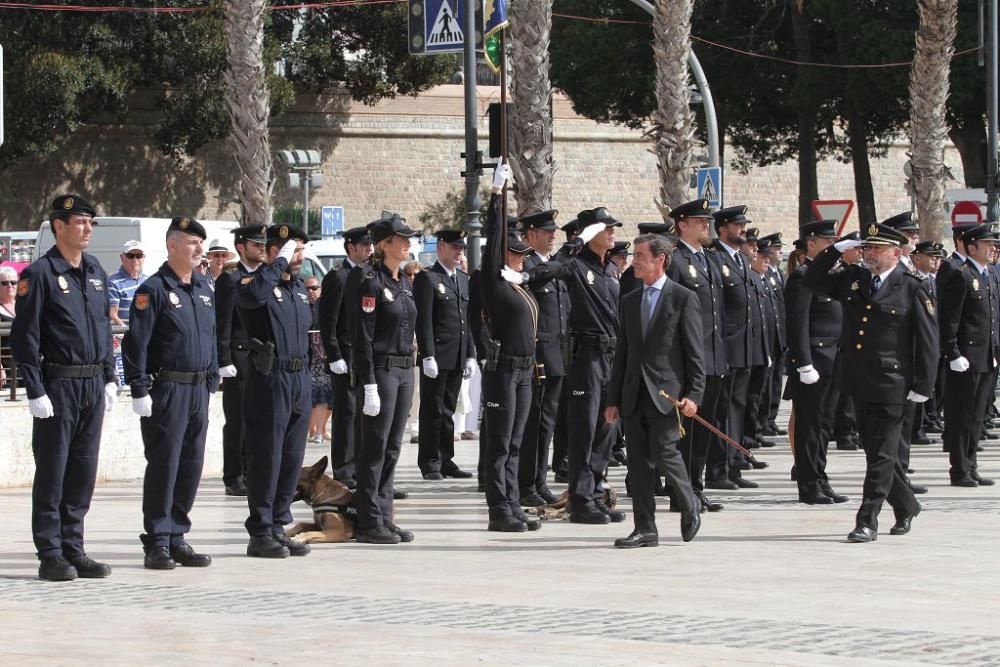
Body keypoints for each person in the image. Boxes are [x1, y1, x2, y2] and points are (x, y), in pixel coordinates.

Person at [803, 223, 936, 542]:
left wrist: (924, 385)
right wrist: (835, 249)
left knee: (881, 456)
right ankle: (905, 505)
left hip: (893, 382)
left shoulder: (912, 286)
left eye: (876, 249)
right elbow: (813, 280)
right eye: (867, 248)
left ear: (895, 252)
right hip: (857, 379)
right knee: (874, 451)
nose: (869, 253)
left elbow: (929, 341)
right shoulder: (853, 278)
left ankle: (867, 520)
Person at [10, 194, 118, 581]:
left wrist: (109, 375)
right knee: (53, 471)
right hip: (59, 385)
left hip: (91, 383)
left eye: (91, 223)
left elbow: (103, 330)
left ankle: (74, 546)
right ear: (59, 226)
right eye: (80, 222)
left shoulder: (94, 271)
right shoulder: (39, 274)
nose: (87, 229)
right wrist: (35, 389)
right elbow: (26, 336)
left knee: (83, 472)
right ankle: (51, 552)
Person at [122, 216, 217, 570]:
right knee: (166, 464)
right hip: (168, 389)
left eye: (200, 243)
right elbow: (136, 343)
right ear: (173, 245)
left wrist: (212, 377)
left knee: (191, 464)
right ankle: (158, 540)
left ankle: (177, 534)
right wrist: (139, 389)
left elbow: (210, 337)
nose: (199, 249)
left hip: (197, 390)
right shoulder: (154, 290)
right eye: (192, 243)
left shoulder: (204, 290)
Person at [528, 205, 625, 524]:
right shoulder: (574, 265)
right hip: (586, 356)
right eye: (606, 228)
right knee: (584, 429)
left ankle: (595, 492)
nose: (612, 232)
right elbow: (541, 273)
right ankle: (581, 499)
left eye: (613, 228)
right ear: (589, 234)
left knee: (607, 429)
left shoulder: (610, 268)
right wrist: (573, 245)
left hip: (612, 355)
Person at [606, 233, 704, 547]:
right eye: (634, 255)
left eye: (640, 256)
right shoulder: (630, 299)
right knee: (637, 465)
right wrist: (613, 399)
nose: (634, 261)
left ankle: (689, 504)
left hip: (667, 395)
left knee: (666, 452)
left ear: (659, 259)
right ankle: (645, 528)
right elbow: (623, 352)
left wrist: (694, 395)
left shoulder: (683, 298)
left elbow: (694, 354)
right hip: (634, 395)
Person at [236, 223, 313, 558]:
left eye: (298, 252)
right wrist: (276, 264)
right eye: (289, 251)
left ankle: (279, 523)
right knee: (267, 456)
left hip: (299, 380)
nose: (296, 258)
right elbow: (252, 298)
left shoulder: (297, 289)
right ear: (271, 252)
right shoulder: (254, 285)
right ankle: (260, 529)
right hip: (271, 380)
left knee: (292, 458)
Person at [478, 161, 543, 531]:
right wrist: (496, 196)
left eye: (523, 255)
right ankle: (498, 508)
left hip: (523, 371)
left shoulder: (519, 285)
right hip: (503, 370)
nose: (520, 258)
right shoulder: (494, 283)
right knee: (500, 442)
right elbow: (493, 242)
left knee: (516, 440)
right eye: (515, 253)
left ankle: (512, 501)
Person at [352, 213, 420, 543]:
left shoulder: (404, 282)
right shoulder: (371, 282)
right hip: (382, 370)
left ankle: (384, 512)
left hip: (405, 369)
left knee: (393, 446)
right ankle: (368, 520)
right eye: (401, 238)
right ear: (384, 244)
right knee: (375, 447)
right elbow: (363, 336)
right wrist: (368, 383)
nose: (407, 243)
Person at [665, 200, 726, 512]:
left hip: (712, 356)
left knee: (703, 429)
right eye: (701, 221)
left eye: (708, 220)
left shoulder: (709, 259)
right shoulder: (675, 260)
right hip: (688, 359)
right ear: (682, 224)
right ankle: (680, 491)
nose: (707, 225)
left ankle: (696, 488)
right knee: (685, 431)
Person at [783, 220, 849, 505]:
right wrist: (803, 362)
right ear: (811, 243)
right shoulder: (802, 276)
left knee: (824, 426)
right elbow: (797, 324)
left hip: (834, 360)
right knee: (809, 426)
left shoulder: (834, 275)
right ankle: (808, 484)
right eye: (827, 241)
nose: (832, 246)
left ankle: (820, 478)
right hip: (813, 363)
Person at [938, 224, 999, 487]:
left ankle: (971, 465)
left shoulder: (988, 274)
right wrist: (952, 352)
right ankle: (960, 468)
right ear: (971, 247)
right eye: (987, 244)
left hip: (987, 354)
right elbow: (950, 319)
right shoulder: (960, 274)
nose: (993, 248)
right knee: (962, 414)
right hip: (967, 355)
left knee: (977, 415)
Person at [708, 205, 764, 490]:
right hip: (725, 348)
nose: (742, 229)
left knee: (738, 407)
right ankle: (718, 470)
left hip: (745, 348)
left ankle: (734, 463)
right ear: (722, 229)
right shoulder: (714, 259)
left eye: (743, 225)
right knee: (722, 410)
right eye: (737, 225)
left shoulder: (741, 259)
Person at [414, 229, 476, 480]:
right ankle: (430, 461)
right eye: (454, 247)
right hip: (437, 355)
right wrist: (427, 354)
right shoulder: (428, 279)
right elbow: (424, 321)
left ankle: (445, 459)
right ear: (440, 248)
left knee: (449, 409)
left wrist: (470, 353)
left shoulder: (462, 279)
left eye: (461, 248)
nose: (459, 251)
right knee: (432, 410)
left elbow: (467, 321)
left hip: (457, 354)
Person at [519, 209, 570, 507]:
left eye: (554, 231)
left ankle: (539, 480)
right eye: (547, 231)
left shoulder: (552, 266)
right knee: (534, 423)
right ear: (531, 234)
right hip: (538, 355)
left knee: (547, 423)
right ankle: (526, 483)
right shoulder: (527, 265)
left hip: (557, 355)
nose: (553, 235)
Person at [215, 224, 269, 497]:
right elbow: (223, 321)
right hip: (238, 355)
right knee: (237, 420)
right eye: (256, 245)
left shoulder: (265, 276)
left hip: (261, 356)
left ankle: (251, 471)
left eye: (263, 244)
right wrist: (223, 358)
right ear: (241, 247)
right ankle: (234, 475)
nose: (261, 248)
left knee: (258, 418)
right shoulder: (230, 279)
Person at [317, 225, 373, 487]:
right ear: (351, 248)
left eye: (370, 245)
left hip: (365, 356)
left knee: (365, 415)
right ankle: (344, 469)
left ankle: (363, 469)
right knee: (346, 413)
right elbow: (328, 321)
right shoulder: (338, 277)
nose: (369, 250)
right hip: (346, 356)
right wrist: (334, 355)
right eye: (364, 246)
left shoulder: (369, 275)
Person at [305, 275, 332, 444]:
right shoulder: (302, 305)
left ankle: (321, 430)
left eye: (314, 288)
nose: (311, 291)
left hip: (323, 357)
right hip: (306, 357)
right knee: (310, 398)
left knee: (324, 396)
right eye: (307, 288)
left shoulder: (325, 306)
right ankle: (314, 430)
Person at [108, 240, 148, 326]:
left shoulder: (148, 281)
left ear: (143, 258)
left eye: (139, 256)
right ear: (122, 258)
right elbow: (112, 315)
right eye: (130, 256)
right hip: (123, 335)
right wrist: (130, 333)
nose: (135, 259)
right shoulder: (113, 282)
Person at [0, 265, 15, 388]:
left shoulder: (26, 305)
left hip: (30, 368)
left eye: (13, 282)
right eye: (4, 283)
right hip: (7, 369)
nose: (10, 285)